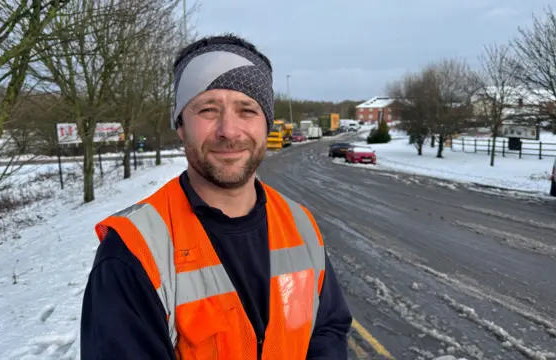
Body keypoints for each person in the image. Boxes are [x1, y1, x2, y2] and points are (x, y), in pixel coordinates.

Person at [80, 33, 353, 360]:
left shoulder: (301, 226)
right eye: (208, 110)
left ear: (266, 124)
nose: (229, 131)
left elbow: (329, 329)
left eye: (247, 110)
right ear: (180, 125)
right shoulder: (133, 251)